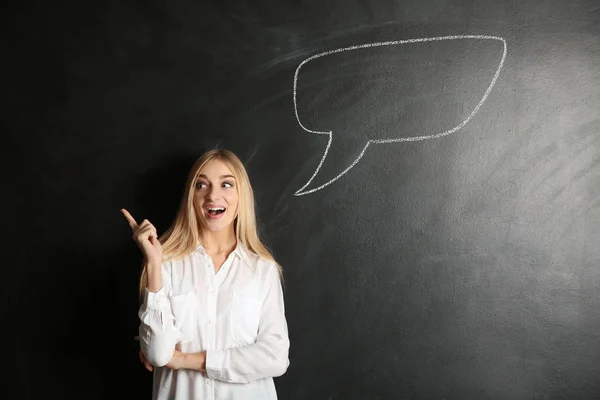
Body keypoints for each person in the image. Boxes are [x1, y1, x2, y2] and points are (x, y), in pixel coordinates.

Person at [121, 148, 290, 400]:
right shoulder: (167, 264)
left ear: (241, 195)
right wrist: (154, 262)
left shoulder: (262, 270)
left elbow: (275, 357)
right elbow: (157, 354)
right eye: (202, 185)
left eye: (226, 184)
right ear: (191, 197)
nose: (213, 195)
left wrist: (186, 360)